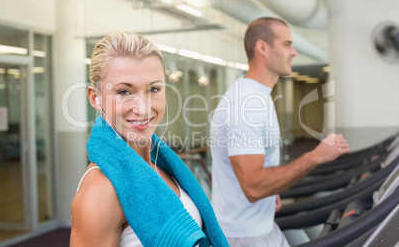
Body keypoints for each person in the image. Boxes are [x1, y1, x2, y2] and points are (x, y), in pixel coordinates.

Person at [70, 32, 228, 247]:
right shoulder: (100, 191)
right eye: (124, 92)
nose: (143, 108)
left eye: (153, 89)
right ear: (95, 98)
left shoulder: (163, 165)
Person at [210, 17, 351, 246]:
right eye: (287, 44)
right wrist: (316, 156)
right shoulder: (246, 105)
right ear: (263, 48)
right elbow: (253, 186)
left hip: (258, 227)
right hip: (244, 236)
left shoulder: (257, 96)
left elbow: (254, 175)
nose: (294, 52)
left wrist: (271, 187)